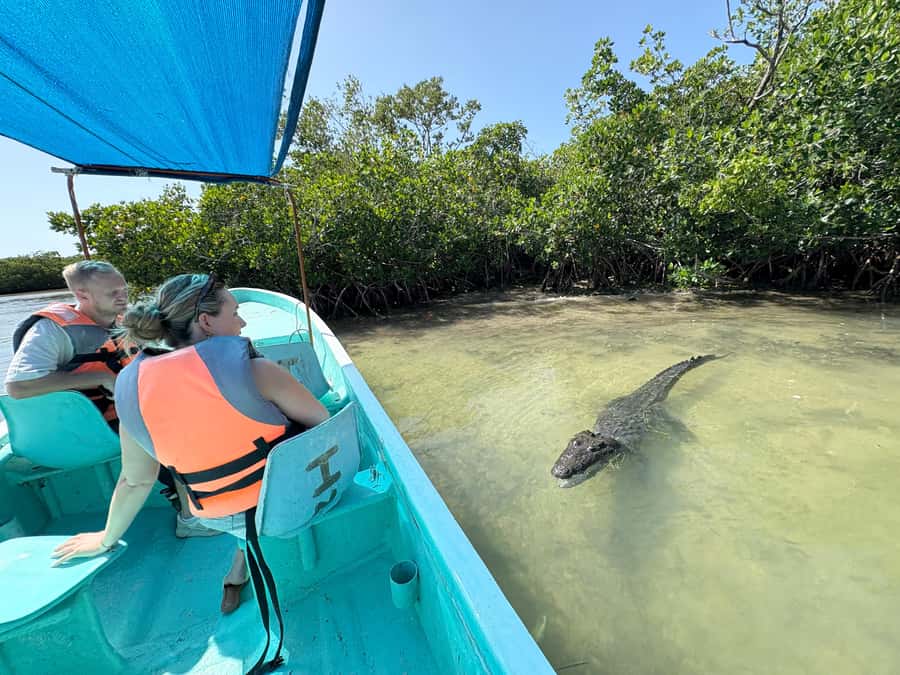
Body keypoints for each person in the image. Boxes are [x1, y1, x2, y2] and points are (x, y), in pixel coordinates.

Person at [52, 273, 329, 629]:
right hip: (285, 501)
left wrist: (105, 538)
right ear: (206, 321)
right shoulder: (256, 369)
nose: (242, 322)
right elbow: (322, 425)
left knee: (240, 514)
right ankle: (244, 560)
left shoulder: (129, 387)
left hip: (216, 514)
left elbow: (135, 481)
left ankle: (241, 561)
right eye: (236, 312)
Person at [5, 260, 219, 539]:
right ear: (83, 296)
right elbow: (17, 386)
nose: (122, 297)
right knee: (174, 428)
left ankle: (201, 496)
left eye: (123, 290)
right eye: (112, 293)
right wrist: (102, 378)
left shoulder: (123, 321)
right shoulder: (50, 331)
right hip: (77, 427)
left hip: (115, 414)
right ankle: (190, 519)